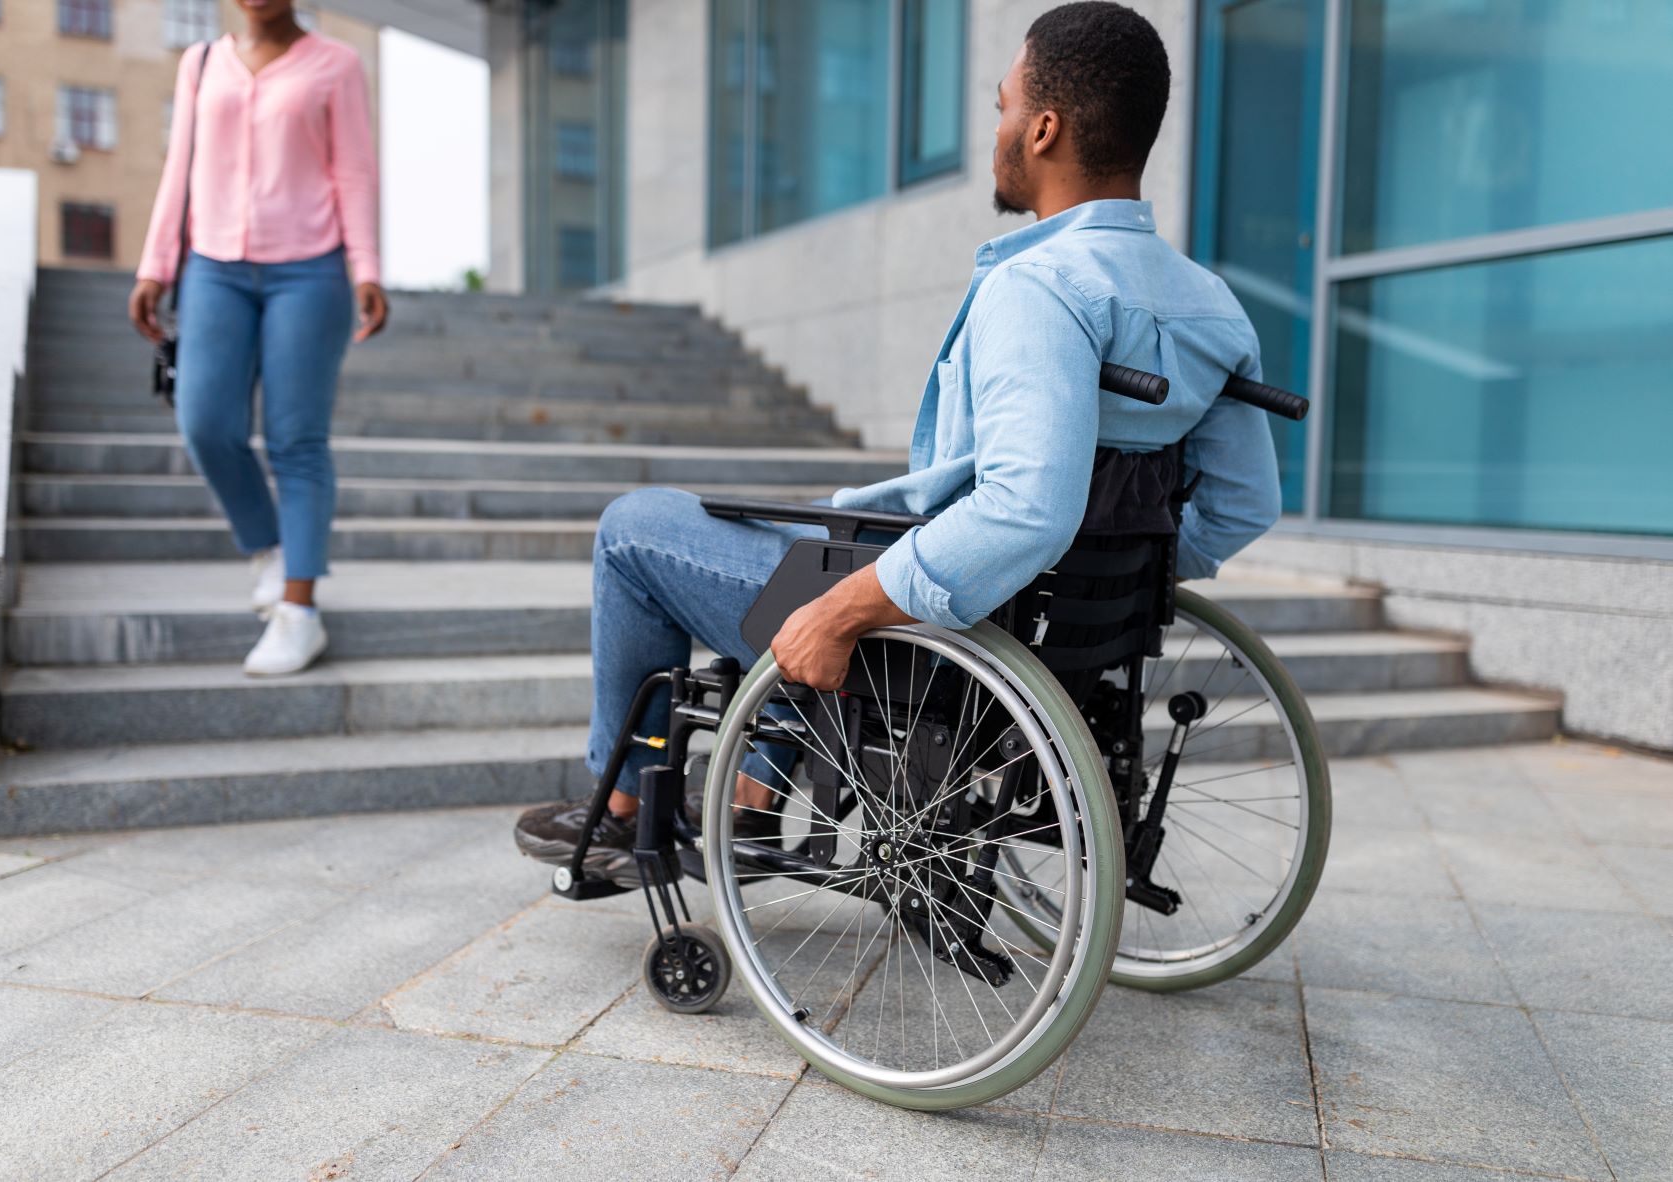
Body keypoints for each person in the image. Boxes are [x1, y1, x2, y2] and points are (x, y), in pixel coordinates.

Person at [514, 1, 1281, 882]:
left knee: (634, 529)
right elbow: (1243, 504)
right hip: (1035, 623)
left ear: (1041, 129)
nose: (995, 128)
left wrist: (845, 611)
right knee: (805, 540)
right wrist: (1112, 581)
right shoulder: (1209, 303)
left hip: (943, 635)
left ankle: (619, 808)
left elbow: (1027, 509)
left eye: (1001, 107)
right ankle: (751, 797)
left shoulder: (1041, 287)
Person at [129, 0, 387, 677]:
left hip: (311, 268)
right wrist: (157, 266)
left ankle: (299, 612)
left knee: (296, 439)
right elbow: (177, 167)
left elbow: (354, 171)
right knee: (205, 422)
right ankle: (268, 547)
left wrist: (366, 269)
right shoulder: (202, 61)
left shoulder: (337, 64)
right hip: (213, 266)